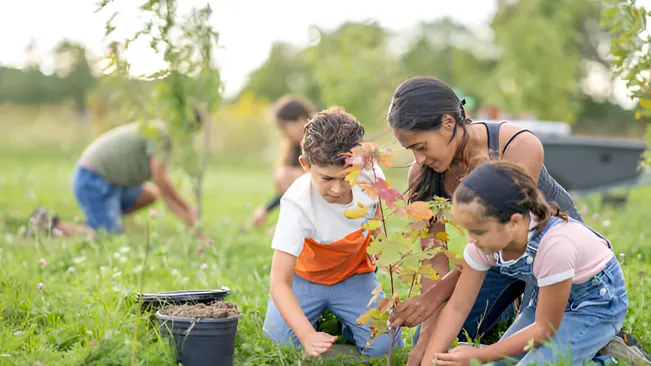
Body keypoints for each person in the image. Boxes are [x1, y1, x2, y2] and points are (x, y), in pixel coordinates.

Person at [385, 75, 648, 365]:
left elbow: (508, 229)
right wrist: (425, 341)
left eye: (421, 147)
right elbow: (437, 265)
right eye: (411, 150)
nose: (419, 159)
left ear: (448, 122)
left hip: (551, 257)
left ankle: (596, 339)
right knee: (439, 333)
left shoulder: (517, 145)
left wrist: (434, 299)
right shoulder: (425, 176)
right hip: (496, 253)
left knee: (536, 343)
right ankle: (513, 305)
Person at [418, 160, 629, 366]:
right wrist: (429, 362)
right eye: (467, 230)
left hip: (595, 305)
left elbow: (544, 328)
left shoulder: (556, 247)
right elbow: (457, 307)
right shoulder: (482, 245)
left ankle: (605, 359)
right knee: (499, 362)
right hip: (546, 306)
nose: (471, 240)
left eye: (478, 232)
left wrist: (480, 355)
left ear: (515, 222)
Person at [262, 107, 403, 358]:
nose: (337, 189)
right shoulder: (297, 203)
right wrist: (306, 335)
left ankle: (348, 325)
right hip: (305, 280)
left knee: (385, 348)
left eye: (346, 177)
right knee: (280, 345)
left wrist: (388, 253)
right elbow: (279, 284)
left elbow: (378, 223)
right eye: (326, 178)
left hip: (353, 276)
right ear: (306, 165)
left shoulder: (371, 178)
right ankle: (319, 325)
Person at [25, 110, 211, 243]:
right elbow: (162, 180)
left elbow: (162, 190)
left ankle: (103, 217)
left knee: (151, 193)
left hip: (113, 183)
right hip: (92, 180)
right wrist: (189, 211)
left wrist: (191, 221)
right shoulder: (160, 135)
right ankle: (50, 224)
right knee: (108, 237)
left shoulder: (162, 131)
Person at [251, 95, 317, 228]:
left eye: (284, 127)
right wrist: (266, 209)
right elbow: (290, 190)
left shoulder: (320, 143)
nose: (284, 134)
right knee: (283, 176)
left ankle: (300, 225)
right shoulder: (295, 147)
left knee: (284, 176)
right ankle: (294, 224)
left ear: (301, 120)